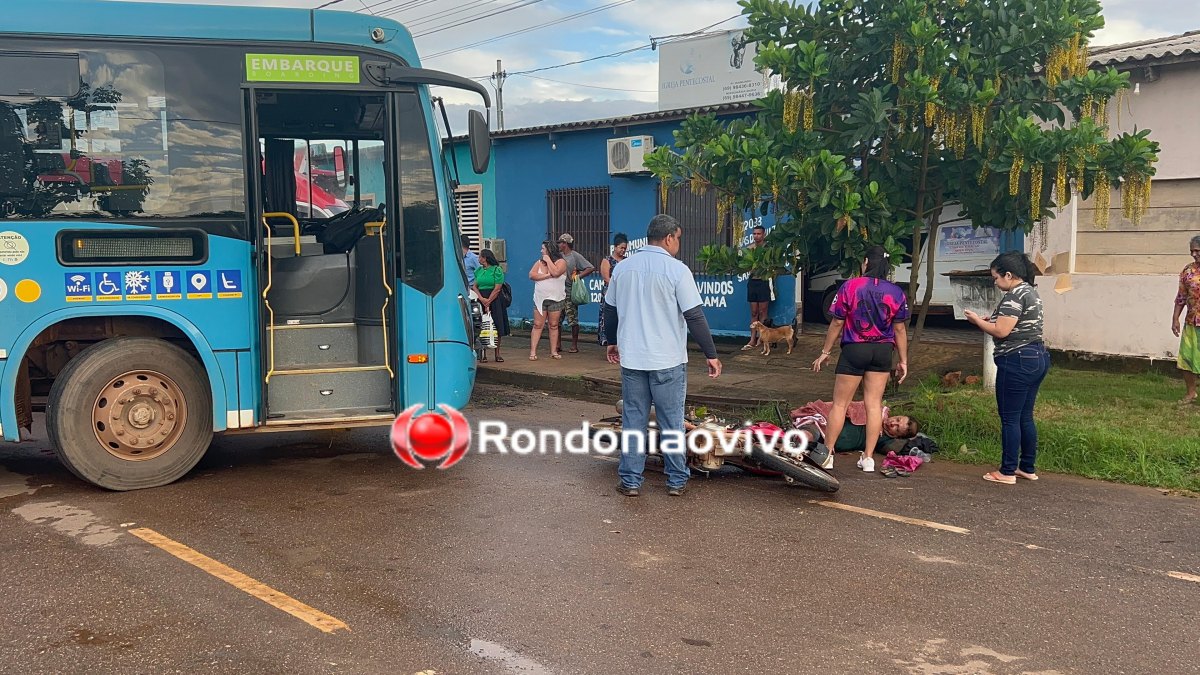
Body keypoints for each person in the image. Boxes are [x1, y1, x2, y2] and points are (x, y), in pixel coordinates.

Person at [603, 214, 722, 497]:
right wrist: (711, 354)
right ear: (669, 238)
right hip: (667, 360)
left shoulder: (623, 268)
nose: (678, 243)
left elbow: (610, 310)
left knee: (634, 421)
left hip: (632, 359)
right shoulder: (677, 270)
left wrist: (611, 341)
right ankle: (676, 480)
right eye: (678, 238)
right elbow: (694, 316)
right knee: (671, 421)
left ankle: (631, 481)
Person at [811, 246, 910, 473]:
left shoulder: (851, 286)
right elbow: (900, 329)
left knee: (840, 404)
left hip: (855, 348)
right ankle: (867, 458)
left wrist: (825, 351)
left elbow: (837, 322)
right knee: (874, 405)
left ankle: (827, 455)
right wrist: (903, 360)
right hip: (883, 351)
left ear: (865, 262)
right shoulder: (896, 292)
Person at [964, 252, 1049, 485]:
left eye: (996, 277)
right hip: (1037, 356)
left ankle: (1007, 471)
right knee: (1025, 416)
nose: (995, 281)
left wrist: (978, 322)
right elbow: (1012, 324)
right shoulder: (1031, 292)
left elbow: (1002, 332)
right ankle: (1027, 467)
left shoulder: (1014, 296)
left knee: (1010, 418)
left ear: (1008, 275)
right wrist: (990, 320)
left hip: (1017, 360)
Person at [789, 400, 920, 468]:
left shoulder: (884, 440)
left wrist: (918, 444)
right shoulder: (876, 410)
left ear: (897, 436)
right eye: (897, 420)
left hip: (825, 446)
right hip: (823, 424)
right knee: (810, 434)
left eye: (897, 429)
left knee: (810, 446)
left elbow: (897, 449)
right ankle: (791, 440)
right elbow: (849, 406)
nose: (893, 424)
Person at [1171, 235, 1200, 405]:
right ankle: (1191, 393)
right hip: (1192, 322)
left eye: (1197, 251)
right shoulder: (1187, 271)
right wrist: (1175, 318)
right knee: (1187, 359)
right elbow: (1181, 297)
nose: (1194, 255)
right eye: (1192, 251)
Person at [556, 233, 595, 354]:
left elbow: (590, 267)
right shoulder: (559, 256)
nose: (559, 245)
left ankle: (574, 345)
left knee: (572, 320)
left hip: (569, 291)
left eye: (561, 243)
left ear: (565, 244)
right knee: (556, 320)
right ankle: (558, 344)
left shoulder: (575, 256)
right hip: (558, 292)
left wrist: (578, 277)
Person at [528, 240, 567, 360]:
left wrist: (548, 259)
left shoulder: (561, 262)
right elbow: (532, 275)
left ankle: (553, 351)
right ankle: (533, 352)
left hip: (556, 298)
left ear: (549, 250)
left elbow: (555, 272)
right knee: (538, 324)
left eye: (543, 249)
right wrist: (546, 276)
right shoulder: (539, 262)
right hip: (540, 299)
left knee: (554, 325)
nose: (541, 251)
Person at [472, 249, 509, 363]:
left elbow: (497, 288)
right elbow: (474, 286)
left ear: (486, 258)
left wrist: (488, 301)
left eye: (480, 257)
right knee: (482, 327)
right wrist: (482, 299)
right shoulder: (479, 270)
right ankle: (483, 353)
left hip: (495, 300)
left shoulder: (497, 270)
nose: (479, 259)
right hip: (481, 298)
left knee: (496, 325)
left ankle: (497, 353)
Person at [742, 225, 772, 351]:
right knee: (754, 312)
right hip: (753, 282)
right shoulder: (749, 249)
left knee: (762, 312)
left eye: (759, 234)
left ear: (763, 235)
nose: (756, 236)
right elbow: (745, 266)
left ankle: (762, 338)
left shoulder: (768, 249)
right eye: (754, 233)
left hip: (764, 281)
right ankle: (752, 339)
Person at [597, 233, 629, 349]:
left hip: (623, 294)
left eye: (625, 248)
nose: (623, 250)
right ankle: (609, 344)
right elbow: (607, 279)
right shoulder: (607, 261)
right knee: (609, 319)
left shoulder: (627, 261)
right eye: (621, 248)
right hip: (610, 293)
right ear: (615, 247)